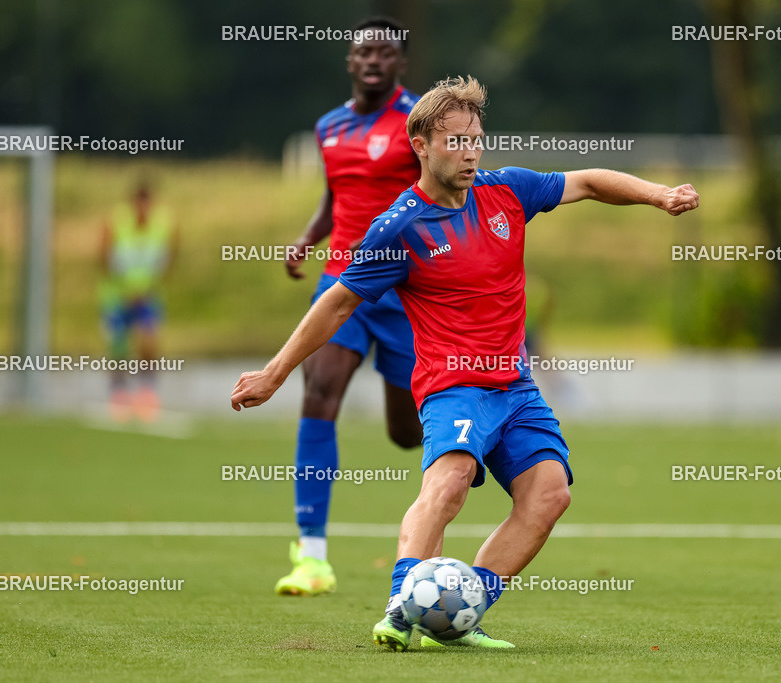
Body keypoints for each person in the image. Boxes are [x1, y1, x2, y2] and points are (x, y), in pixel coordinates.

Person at [231, 76, 699, 649]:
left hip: (516, 387)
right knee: (448, 485)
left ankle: (457, 612)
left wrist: (656, 195)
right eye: (456, 140)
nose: (471, 150)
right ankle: (402, 612)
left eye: (477, 137)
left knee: (550, 495)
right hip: (453, 385)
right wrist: (274, 374)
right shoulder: (399, 227)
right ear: (422, 145)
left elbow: (587, 181)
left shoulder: (507, 192)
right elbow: (337, 303)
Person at [274, 16, 423, 597]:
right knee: (318, 391)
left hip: (406, 288)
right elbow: (338, 192)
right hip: (342, 282)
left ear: (401, 64)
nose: (373, 60)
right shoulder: (328, 126)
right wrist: (311, 236)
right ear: (350, 60)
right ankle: (311, 555)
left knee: (406, 433)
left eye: (385, 53)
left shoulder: (419, 124)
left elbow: (444, 189)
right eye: (363, 51)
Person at [99, 181, 178, 422]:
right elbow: (103, 257)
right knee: (118, 344)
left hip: (148, 295)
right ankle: (119, 393)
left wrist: (148, 289)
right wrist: (126, 289)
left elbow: (169, 257)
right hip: (117, 295)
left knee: (148, 339)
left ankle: (146, 392)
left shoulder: (162, 224)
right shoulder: (117, 222)